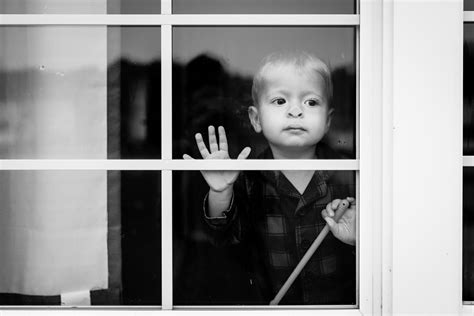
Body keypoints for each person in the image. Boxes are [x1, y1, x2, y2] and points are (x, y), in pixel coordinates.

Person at [183, 51, 356, 305]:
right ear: (255, 119)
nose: (296, 111)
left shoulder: (352, 173)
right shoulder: (249, 177)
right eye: (279, 101)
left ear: (328, 121)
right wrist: (220, 193)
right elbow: (223, 235)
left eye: (310, 102)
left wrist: (359, 237)